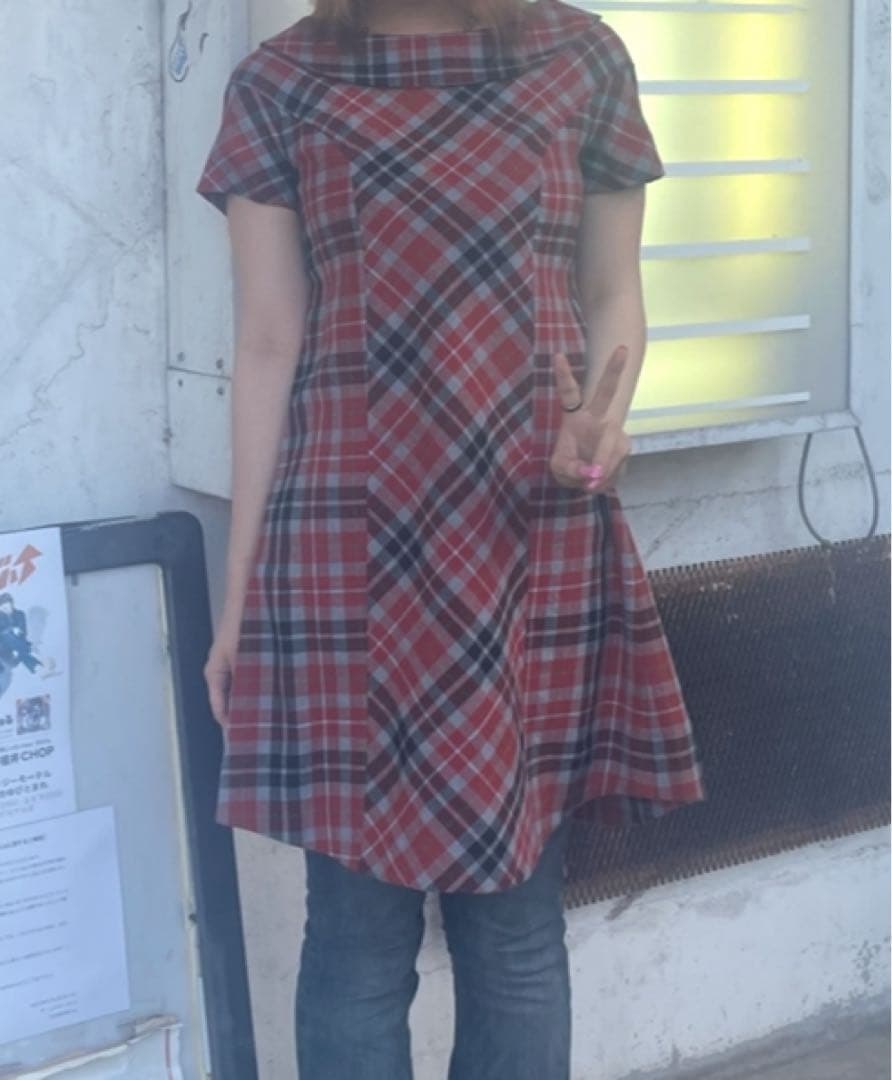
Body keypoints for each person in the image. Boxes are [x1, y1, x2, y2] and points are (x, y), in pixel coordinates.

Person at [197, 1, 706, 1076]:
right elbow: (269, 341)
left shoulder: (580, 57)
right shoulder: (282, 81)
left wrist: (603, 428)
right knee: (356, 942)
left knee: (515, 933)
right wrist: (239, 600)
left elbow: (612, 293)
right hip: (341, 545)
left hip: (529, 531)